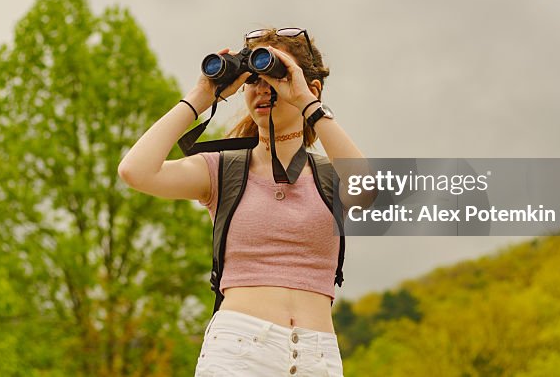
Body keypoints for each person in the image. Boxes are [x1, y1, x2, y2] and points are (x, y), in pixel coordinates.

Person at [118, 27, 373, 376]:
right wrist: (200, 95)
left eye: (276, 76)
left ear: (310, 87)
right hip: (238, 351)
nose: (264, 88)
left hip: (318, 358)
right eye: (254, 80)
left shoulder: (331, 175)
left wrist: (309, 103)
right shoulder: (223, 170)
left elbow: (368, 189)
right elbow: (135, 171)